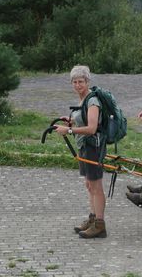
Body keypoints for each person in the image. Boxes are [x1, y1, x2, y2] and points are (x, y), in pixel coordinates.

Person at [53, 65, 108, 239]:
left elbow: (92, 128)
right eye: (75, 82)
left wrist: (68, 131)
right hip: (84, 146)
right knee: (89, 184)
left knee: (96, 186)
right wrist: (70, 121)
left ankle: (100, 225)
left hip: (93, 146)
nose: (78, 85)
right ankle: (92, 219)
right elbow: (83, 120)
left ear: (87, 81)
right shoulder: (83, 99)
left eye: (81, 82)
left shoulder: (92, 101)